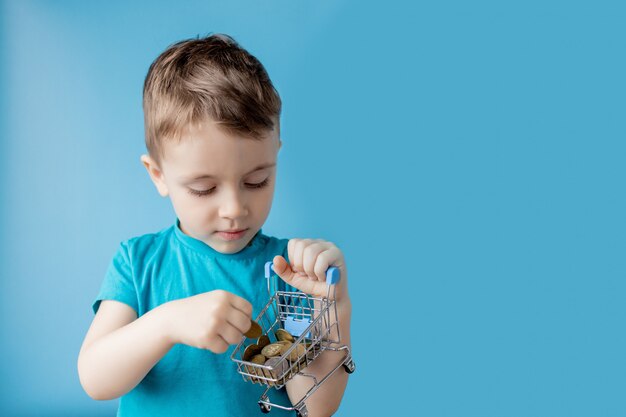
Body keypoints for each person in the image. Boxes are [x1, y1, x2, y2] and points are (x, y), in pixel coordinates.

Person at [77, 33, 352, 417]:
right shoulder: (138, 263)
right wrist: (166, 323)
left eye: (257, 181)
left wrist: (333, 310)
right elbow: (95, 378)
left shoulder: (290, 272)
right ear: (158, 175)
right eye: (204, 189)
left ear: (276, 157)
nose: (234, 209)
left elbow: (316, 406)